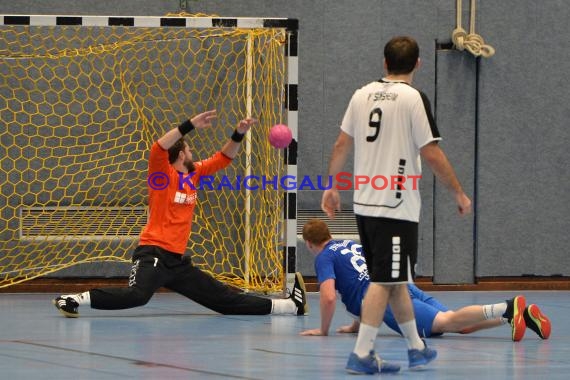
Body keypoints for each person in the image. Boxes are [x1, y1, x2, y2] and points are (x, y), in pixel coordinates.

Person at [53, 110, 307, 318]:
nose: (193, 152)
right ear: (181, 154)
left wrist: (239, 133)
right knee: (138, 296)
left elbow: (224, 157)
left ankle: (289, 306)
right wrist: (189, 125)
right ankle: (74, 299)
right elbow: (158, 147)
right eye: (189, 149)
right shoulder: (161, 176)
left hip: (176, 262)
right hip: (153, 253)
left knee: (223, 300)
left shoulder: (194, 173)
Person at [321, 36, 473, 375]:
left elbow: (341, 143)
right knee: (384, 279)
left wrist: (331, 186)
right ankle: (362, 354)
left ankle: (416, 348)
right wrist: (459, 194)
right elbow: (431, 152)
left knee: (395, 278)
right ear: (418, 64)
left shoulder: (361, 95)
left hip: (365, 203)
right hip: (395, 205)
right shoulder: (413, 98)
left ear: (385, 63)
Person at [300, 219, 552, 342]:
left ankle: (507, 306)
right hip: (400, 287)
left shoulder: (323, 257)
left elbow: (330, 296)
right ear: (330, 234)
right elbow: (359, 279)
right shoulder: (350, 244)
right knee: (459, 325)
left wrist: (323, 330)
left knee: (445, 322)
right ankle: (518, 316)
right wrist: (356, 325)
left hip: (386, 301)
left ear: (310, 244)